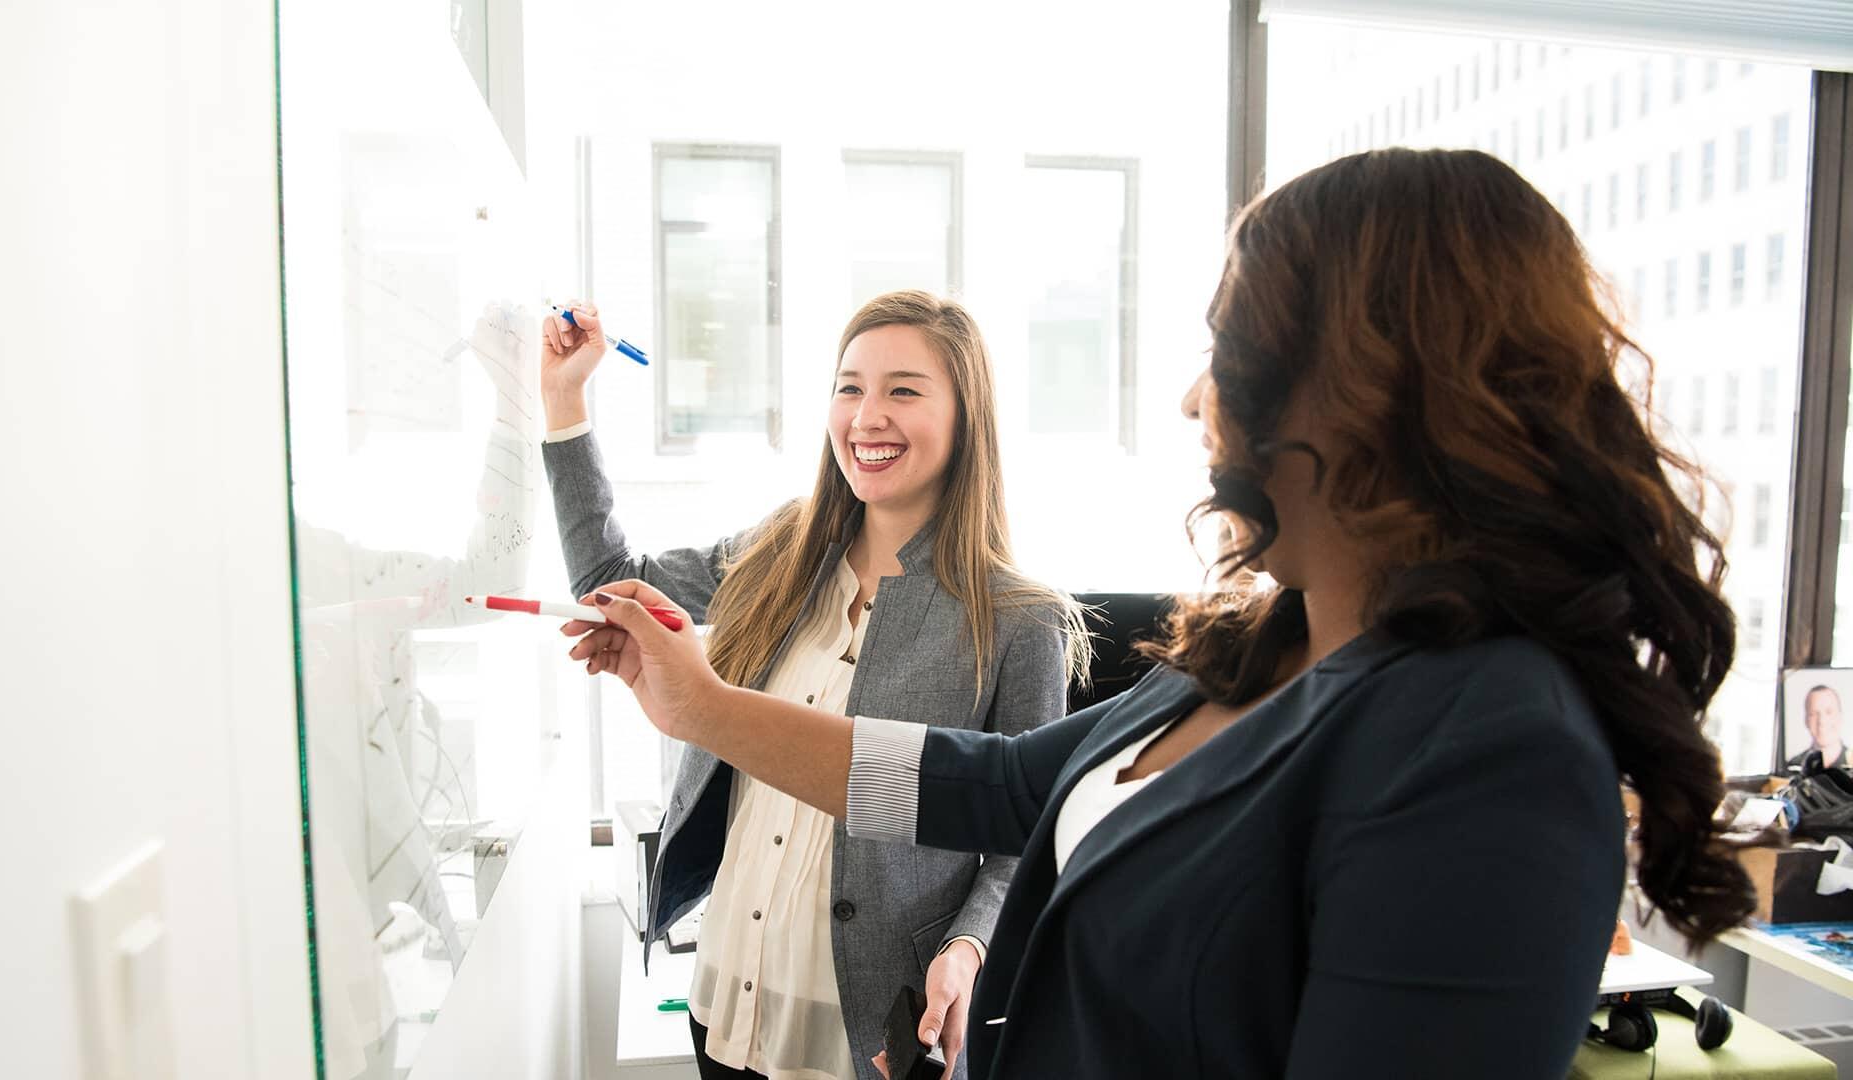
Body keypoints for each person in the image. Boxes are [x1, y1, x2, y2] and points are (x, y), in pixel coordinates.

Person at [562, 149, 1758, 1078]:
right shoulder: (1257, 646)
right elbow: (992, 785)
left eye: (1227, 349)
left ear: (1369, 383)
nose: (1195, 397)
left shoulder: (1490, 744)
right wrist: (705, 708)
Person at [540, 290, 1085, 1080]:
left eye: (903, 389)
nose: (867, 416)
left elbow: (1026, 840)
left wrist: (968, 949)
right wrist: (566, 399)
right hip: (728, 991)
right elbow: (612, 582)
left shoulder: (1019, 619)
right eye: (849, 386)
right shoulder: (781, 548)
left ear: (968, 416)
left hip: (871, 1023)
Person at [1788, 685, 1847, 769]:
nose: (1821, 721)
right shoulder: (1793, 765)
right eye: (1813, 714)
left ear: (1840, 716)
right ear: (1806, 720)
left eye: (1829, 712)